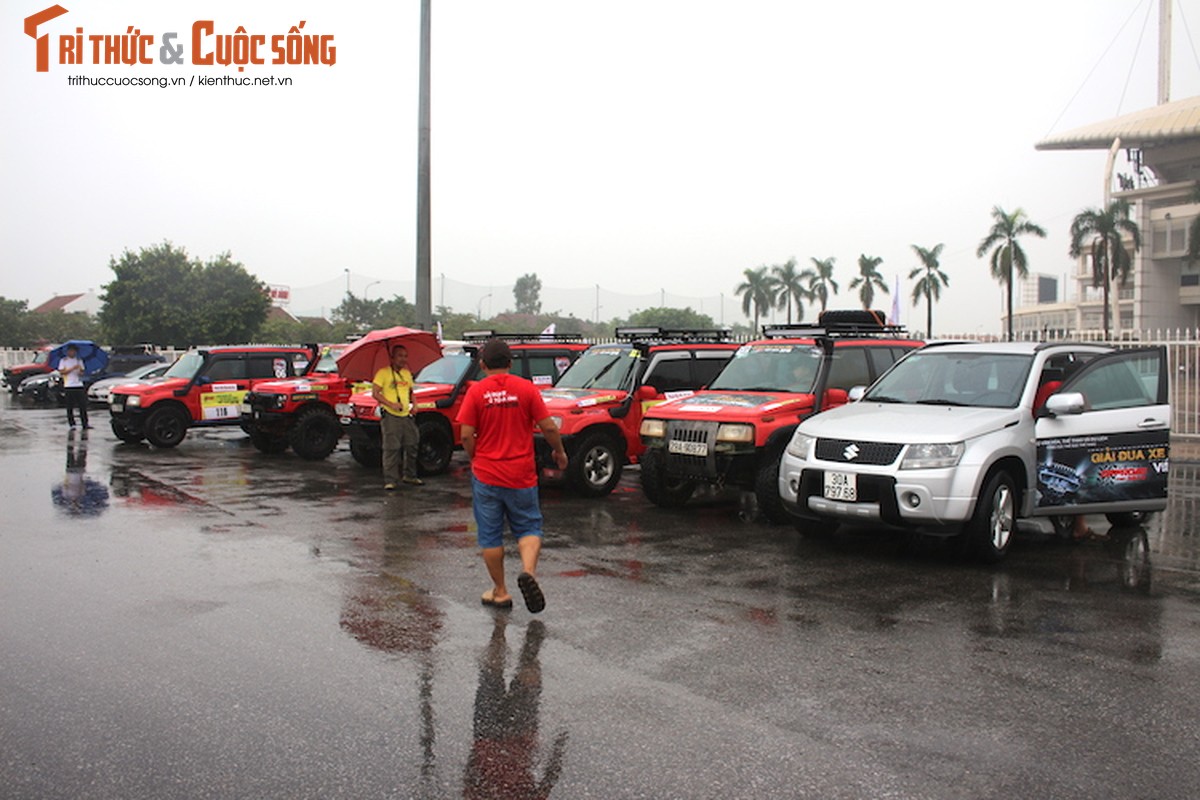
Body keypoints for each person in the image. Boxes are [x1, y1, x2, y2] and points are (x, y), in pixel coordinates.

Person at [458, 339, 568, 613]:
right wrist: (560, 453)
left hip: (487, 474)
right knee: (529, 526)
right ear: (510, 363)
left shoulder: (476, 392)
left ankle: (501, 591)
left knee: (490, 535)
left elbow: (465, 435)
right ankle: (529, 572)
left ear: (482, 365)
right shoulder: (527, 389)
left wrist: (476, 458)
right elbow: (549, 428)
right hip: (521, 474)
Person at [372, 345, 422, 490]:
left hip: (406, 415)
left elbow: (411, 391)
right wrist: (390, 404)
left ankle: (410, 475)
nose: (403, 359)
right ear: (392, 358)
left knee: (412, 444)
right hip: (391, 416)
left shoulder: (407, 374)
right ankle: (391, 480)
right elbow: (375, 393)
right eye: (400, 356)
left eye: (405, 356)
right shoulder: (383, 373)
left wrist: (415, 405)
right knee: (391, 448)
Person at [58, 345, 89, 428]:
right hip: (69, 385)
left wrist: (79, 371)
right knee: (70, 406)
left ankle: (85, 423)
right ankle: (72, 423)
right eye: (70, 351)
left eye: (74, 351)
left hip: (78, 384)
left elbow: (82, 372)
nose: (72, 352)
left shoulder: (79, 360)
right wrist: (72, 368)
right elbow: (62, 372)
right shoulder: (63, 361)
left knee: (82, 405)